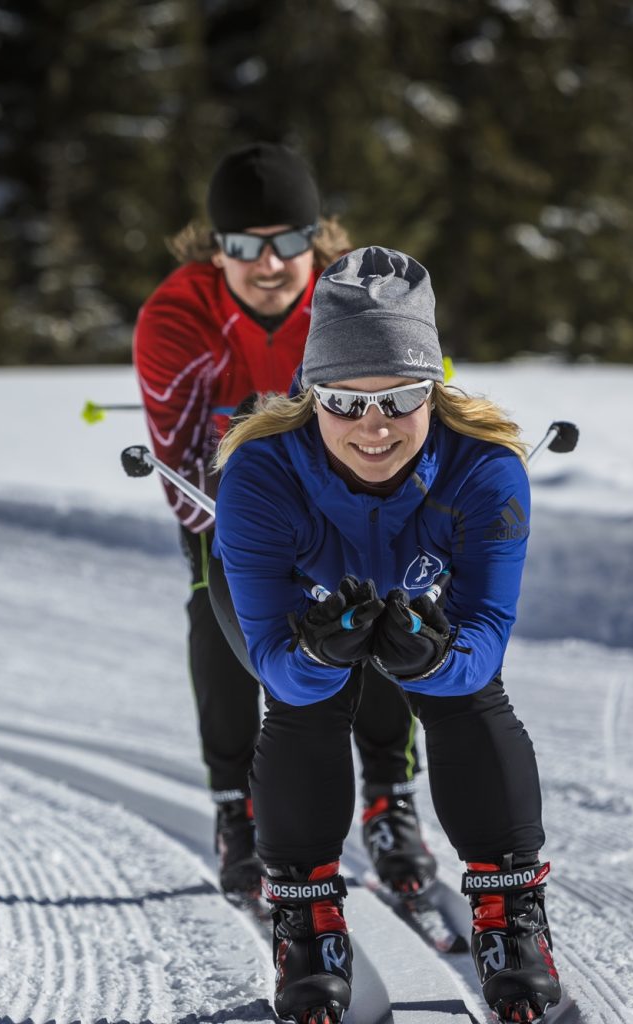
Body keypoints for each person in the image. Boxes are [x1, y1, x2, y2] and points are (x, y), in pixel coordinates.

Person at [210, 246, 561, 1024]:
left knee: (470, 698)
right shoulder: (260, 475)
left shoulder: (486, 469)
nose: (374, 427)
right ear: (312, 396)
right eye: (343, 402)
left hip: (415, 593)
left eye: (400, 397)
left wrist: (439, 660)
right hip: (299, 611)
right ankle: (305, 921)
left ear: (433, 391)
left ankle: (510, 914)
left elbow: (488, 634)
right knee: (303, 704)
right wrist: (315, 654)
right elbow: (274, 656)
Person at [133, 144, 437, 908]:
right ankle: (240, 806)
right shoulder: (176, 317)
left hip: (352, 481)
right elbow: (180, 479)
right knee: (221, 604)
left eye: (288, 242)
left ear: (318, 235)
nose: (268, 265)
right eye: (244, 246)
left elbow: (418, 418)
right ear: (216, 247)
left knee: (385, 594)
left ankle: (389, 794)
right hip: (229, 492)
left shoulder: (362, 300)